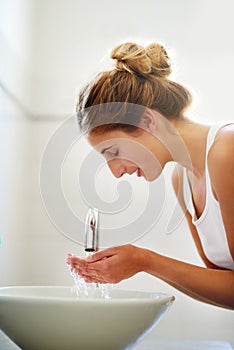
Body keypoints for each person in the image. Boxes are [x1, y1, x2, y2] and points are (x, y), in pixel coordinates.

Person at [66, 42, 234, 309]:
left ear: (146, 121)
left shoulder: (227, 150)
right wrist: (142, 263)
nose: (116, 172)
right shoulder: (181, 181)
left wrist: (146, 261)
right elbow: (225, 285)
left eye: (113, 152)